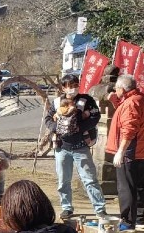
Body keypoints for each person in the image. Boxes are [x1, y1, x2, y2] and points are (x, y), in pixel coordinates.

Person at [44, 73, 106, 221]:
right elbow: (48, 118)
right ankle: (66, 207)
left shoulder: (87, 100)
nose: (73, 89)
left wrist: (79, 127)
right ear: (63, 88)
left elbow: (95, 116)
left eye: (75, 85)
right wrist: (56, 128)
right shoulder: (57, 102)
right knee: (63, 180)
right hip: (61, 147)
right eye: (69, 86)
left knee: (90, 179)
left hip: (81, 146)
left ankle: (100, 209)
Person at [105, 73, 144, 231]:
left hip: (129, 148)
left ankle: (128, 221)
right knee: (138, 185)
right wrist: (115, 101)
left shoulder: (130, 103)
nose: (115, 91)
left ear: (122, 89)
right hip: (140, 148)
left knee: (126, 186)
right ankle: (140, 218)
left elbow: (129, 128)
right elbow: (127, 115)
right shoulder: (140, 98)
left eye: (116, 88)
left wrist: (121, 151)